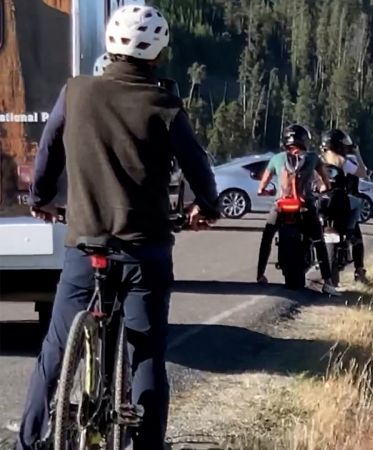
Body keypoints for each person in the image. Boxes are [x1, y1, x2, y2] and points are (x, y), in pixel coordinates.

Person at [14, 5, 220, 450]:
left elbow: (48, 152)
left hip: (85, 247)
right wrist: (206, 208)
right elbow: (199, 170)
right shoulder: (164, 105)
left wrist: (41, 200)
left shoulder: (76, 92)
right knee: (146, 355)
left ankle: (28, 441)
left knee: (53, 349)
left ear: (110, 44)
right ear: (159, 53)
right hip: (145, 253)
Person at [255, 124, 340, 296]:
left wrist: (265, 191)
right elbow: (326, 182)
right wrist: (324, 188)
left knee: (267, 236)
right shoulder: (313, 158)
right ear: (304, 141)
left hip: (281, 206)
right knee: (318, 240)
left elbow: (261, 187)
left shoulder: (276, 159)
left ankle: (260, 275)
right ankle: (327, 281)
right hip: (304, 205)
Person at [320, 129, 369, 283]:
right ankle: (359, 271)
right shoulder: (343, 161)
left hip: (320, 202)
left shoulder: (318, 160)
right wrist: (358, 154)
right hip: (339, 202)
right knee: (358, 205)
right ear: (339, 145)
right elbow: (363, 173)